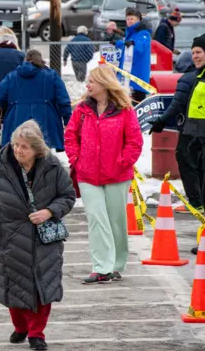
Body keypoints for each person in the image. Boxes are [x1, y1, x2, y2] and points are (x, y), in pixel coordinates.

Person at [0, 120, 75, 351]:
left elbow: (67, 196)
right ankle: (21, 326)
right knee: (13, 285)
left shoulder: (53, 166)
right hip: (8, 237)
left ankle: (37, 333)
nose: (18, 150)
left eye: (24, 147)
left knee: (42, 286)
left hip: (44, 238)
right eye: (16, 144)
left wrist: (49, 212)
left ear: (37, 149)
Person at [64, 66, 143, 284]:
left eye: (92, 81)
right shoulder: (81, 110)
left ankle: (116, 264)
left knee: (116, 221)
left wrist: (122, 162)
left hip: (117, 175)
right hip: (88, 175)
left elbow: (134, 142)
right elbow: (70, 137)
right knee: (97, 221)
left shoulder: (125, 110)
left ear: (104, 84)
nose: (87, 85)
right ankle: (102, 267)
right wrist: (77, 161)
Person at [149, 51, 203, 218]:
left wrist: (161, 121)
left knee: (185, 160)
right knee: (202, 164)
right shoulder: (204, 76)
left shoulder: (186, 79)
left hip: (190, 128)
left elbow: (176, 105)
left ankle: (195, 200)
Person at [0, 50, 72, 151]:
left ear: (25, 59)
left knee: (19, 150)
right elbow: (63, 100)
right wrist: (67, 119)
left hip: (17, 118)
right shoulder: (51, 75)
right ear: (40, 60)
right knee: (43, 153)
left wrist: (9, 108)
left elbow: (1, 97)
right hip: (46, 120)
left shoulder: (11, 76)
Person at [182, 33, 205, 254]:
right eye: (193, 53)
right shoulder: (203, 75)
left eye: (199, 52)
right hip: (203, 140)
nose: (195, 56)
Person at [115, 7, 152, 103]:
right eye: (128, 19)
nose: (129, 21)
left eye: (132, 19)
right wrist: (119, 43)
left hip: (137, 77)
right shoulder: (131, 33)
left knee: (137, 103)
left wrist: (132, 43)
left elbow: (140, 47)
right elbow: (128, 45)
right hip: (128, 77)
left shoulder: (143, 33)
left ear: (138, 20)